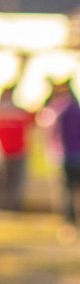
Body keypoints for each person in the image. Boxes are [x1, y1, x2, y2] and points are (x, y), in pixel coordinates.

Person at [0, 88, 32, 211]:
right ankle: (2, 205)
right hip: (2, 153)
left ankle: (12, 205)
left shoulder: (20, 112)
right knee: (2, 182)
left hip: (17, 152)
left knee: (15, 182)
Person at [54, 80, 80, 224]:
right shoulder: (76, 110)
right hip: (75, 155)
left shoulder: (62, 111)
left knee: (69, 191)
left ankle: (70, 220)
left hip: (69, 156)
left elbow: (57, 134)